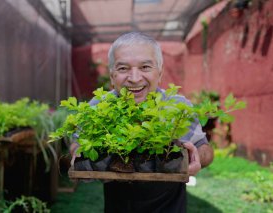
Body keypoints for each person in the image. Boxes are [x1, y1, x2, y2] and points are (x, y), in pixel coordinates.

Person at [70, 32, 214, 213]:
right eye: (123, 68)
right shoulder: (99, 106)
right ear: (112, 75)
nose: (135, 78)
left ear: (159, 72)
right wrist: (78, 153)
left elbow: (205, 148)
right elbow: (76, 143)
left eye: (145, 67)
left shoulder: (177, 106)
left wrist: (197, 157)